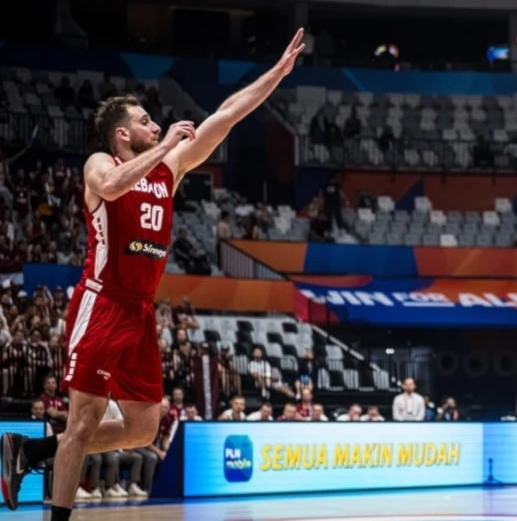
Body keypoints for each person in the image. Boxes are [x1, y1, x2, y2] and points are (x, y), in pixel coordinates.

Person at [0, 30, 305, 516]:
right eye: (144, 121)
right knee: (84, 422)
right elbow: (115, 186)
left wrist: (276, 74)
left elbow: (227, 115)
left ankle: (31, 451)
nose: (155, 123)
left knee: (144, 426)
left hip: (140, 312)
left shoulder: (170, 168)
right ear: (124, 134)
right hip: (102, 302)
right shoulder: (100, 163)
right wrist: (162, 149)